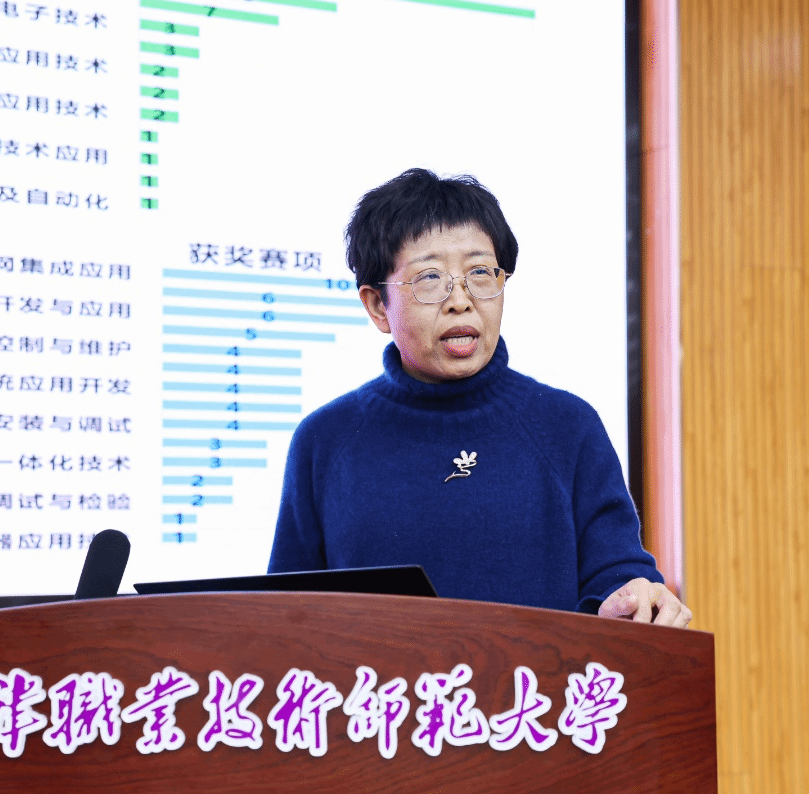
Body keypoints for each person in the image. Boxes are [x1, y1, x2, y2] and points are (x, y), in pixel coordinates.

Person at [267, 168, 690, 628]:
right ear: (376, 305)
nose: (460, 300)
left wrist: (636, 598)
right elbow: (286, 618)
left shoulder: (568, 427)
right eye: (430, 278)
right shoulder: (325, 441)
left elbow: (619, 578)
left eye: (480, 273)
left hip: (536, 678)